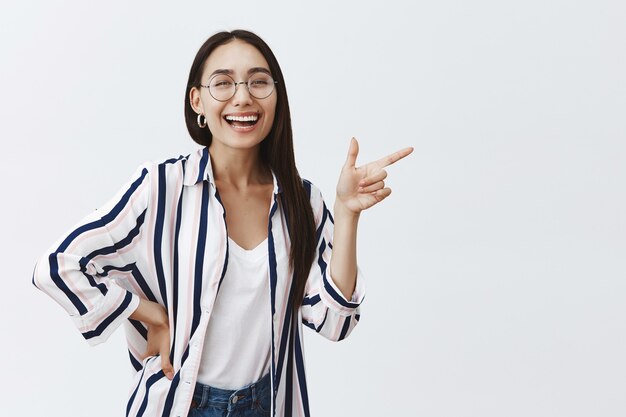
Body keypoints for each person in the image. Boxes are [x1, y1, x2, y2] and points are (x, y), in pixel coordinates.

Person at [32, 29, 413, 417]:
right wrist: (145, 312)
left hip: (269, 404)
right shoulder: (163, 189)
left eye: (258, 82)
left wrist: (347, 213)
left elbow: (335, 322)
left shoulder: (302, 201)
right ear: (197, 100)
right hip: (182, 404)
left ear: (277, 98)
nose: (243, 96)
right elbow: (59, 265)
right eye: (223, 83)